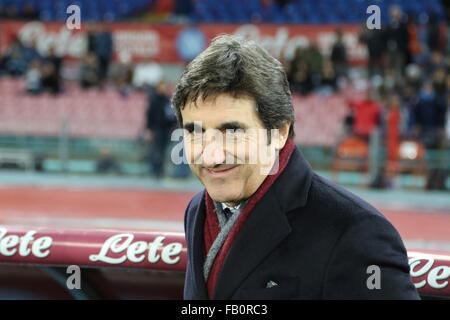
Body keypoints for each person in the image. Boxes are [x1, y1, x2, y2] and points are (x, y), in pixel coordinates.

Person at [172, 35, 419, 300]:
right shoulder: (198, 210)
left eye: (232, 131)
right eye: (195, 132)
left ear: (279, 131)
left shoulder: (356, 232)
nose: (210, 157)